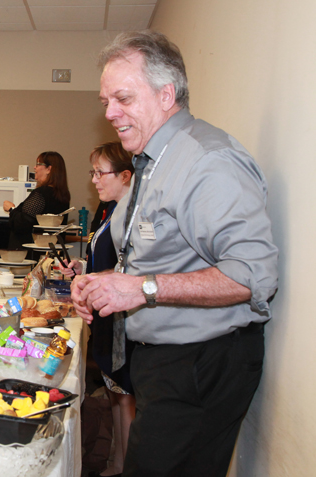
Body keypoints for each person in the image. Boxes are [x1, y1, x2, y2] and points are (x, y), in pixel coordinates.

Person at [71, 31, 278, 477]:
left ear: (167, 95)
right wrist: (102, 280)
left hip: (201, 366)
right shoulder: (151, 160)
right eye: (106, 100)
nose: (109, 113)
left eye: (123, 98)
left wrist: (142, 289)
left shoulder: (208, 160)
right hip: (166, 363)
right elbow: (147, 256)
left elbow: (252, 276)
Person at [61, 142, 135, 477]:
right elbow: (105, 261)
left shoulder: (130, 216)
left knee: (124, 395)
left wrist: (93, 277)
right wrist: (82, 268)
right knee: (115, 392)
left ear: (125, 175)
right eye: (92, 172)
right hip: (105, 312)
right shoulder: (110, 211)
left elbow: (128, 270)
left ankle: (124, 463)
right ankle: (116, 460)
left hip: (120, 318)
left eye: (100, 173)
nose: (94, 180)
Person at [2, 151, 71, 249]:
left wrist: (11, 208)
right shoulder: (63, 195)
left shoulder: (41, 193)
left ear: (48, 169)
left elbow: (22, 224)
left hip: (31, 253)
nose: (35, 167)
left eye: (38, 164)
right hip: (50, 250)